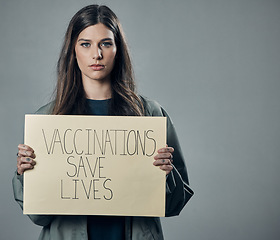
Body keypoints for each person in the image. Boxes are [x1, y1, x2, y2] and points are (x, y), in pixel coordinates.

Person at [13, 4, 193, 240]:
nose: (96, 54)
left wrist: (166, 174)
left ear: (118, 49)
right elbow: (39, 216)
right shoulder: (47, 121)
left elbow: (174, 206)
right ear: (73, 50)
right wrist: (25, 174)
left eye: (105, 43)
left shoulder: (150, 114)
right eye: (85, 44)